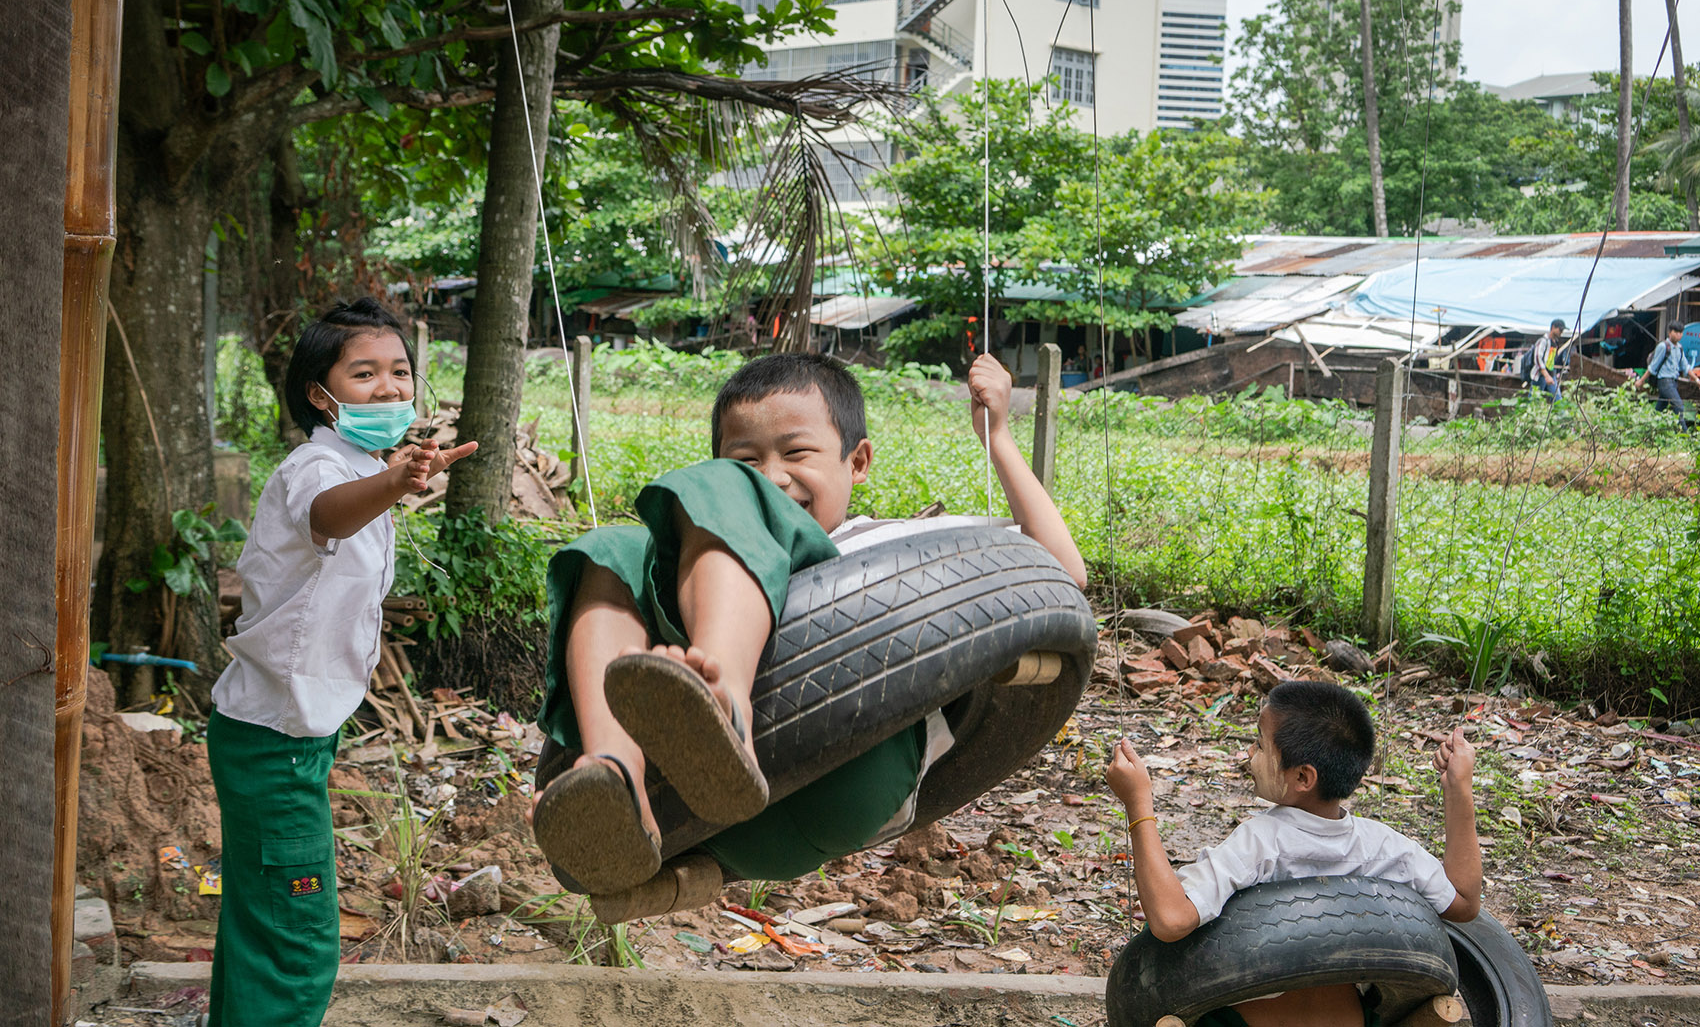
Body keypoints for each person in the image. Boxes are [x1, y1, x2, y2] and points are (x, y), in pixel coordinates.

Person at [531, 351, 1087, 898]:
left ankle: (724, 707)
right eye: (745, 463)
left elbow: (1061, 574)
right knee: (607, 550)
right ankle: (617, 778)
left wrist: (999, 439)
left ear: (858, 462)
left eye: (797, 452)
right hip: (717, 824)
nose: (773, 478)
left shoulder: (900, 551)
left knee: (719, 501)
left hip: (853, 768)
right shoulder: (698, 577)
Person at [206, 298, 477, 1027]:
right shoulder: (317, 467)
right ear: (321, 396)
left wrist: (392, 477)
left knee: (260, 927)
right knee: (296, 944)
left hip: (287, 738)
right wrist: (397, 481)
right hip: (274, 744)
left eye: (399, 372)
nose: (390, 388)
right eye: (364, 373)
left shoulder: (362, 466)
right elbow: (328, 514)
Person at [1106, 681, 1482, 1027]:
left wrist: (1138, 802)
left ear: (1303, 778)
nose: (1248, 752)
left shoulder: (1262, 843)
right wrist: (1458, 786)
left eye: (1260, 743)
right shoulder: (1383, 847)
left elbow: (1171, 920)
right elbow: (1464, 902)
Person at [1635, 324, 1700, 430]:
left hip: (1673, 382)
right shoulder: (1663, 346)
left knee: (1660, 407)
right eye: (1676, 332)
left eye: (1681, 333)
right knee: (1679, 406)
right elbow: (1653, 366)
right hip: (1664, 381)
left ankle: (1649, 429)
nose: (1679, 335)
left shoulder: (1679, 348)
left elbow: (1686, 366)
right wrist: (1641, 381)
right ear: (1670, 332)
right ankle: (1685, 435)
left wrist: (1697, 380)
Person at [1521, 319, 1569, 403]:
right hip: (1540, 375)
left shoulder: (1555, 342)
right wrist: (1546, 375)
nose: (1561, 332)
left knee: (1558, 400)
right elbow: (1538, 359)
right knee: (1534, 400)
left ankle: (1562, 415)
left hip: (1551, 374)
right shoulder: (1543, 341)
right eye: (1560, 330)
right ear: (1553, 327)